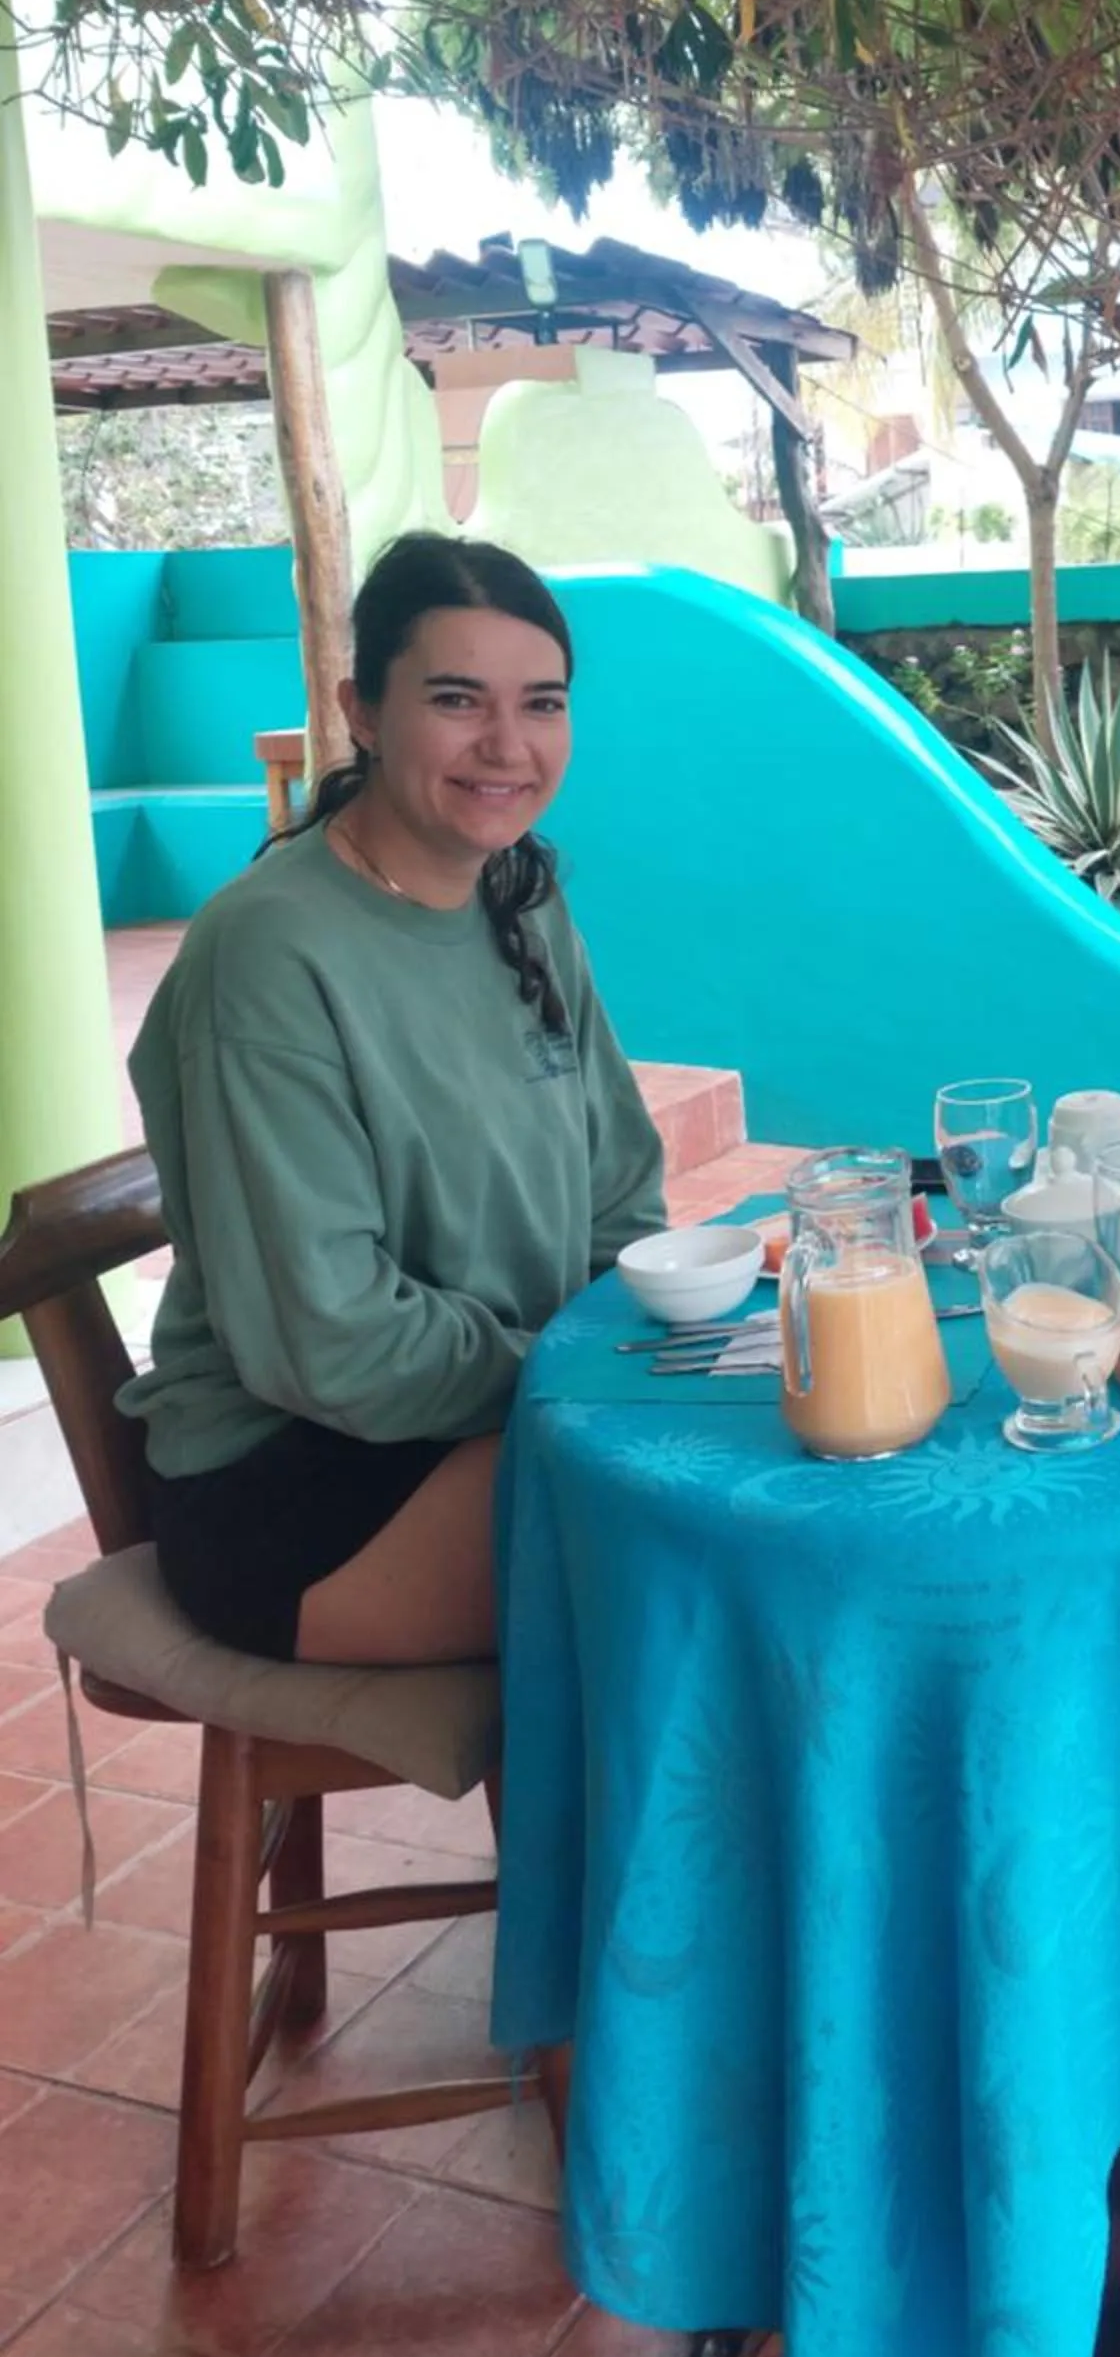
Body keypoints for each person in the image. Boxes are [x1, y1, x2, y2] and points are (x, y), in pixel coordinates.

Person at [124, 532, 667, 1668]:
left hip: (499, 1407)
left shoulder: (522, 893)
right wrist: (572, 1375)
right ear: (360, 710)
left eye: (543, 703)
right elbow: (327, 1341)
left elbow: (619, 1188)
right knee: (695, 1595)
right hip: (297, 1479)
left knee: (771, 1483)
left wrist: (654, 1338)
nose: (508, 746)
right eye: (457, 700)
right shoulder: (271, 952)